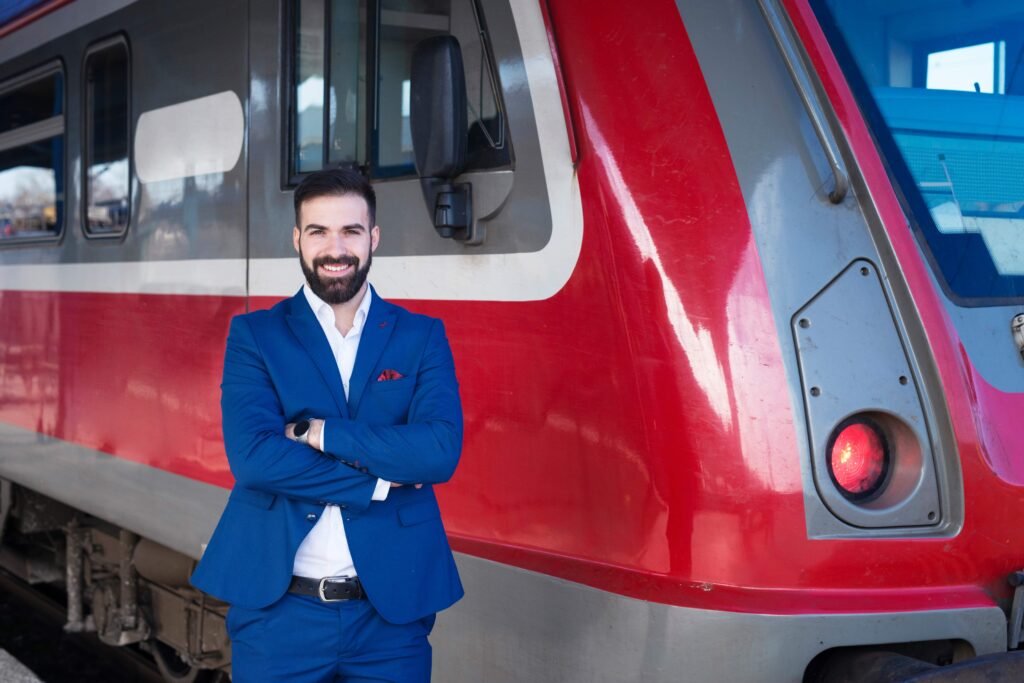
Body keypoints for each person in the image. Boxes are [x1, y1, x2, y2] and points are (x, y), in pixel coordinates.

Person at [191, 167, 464, 682]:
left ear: (373, 237)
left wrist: (323, 434)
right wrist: (378, 483)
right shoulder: (255, 335)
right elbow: (255, 459)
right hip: (278, 615)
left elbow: (439, 451)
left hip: (390, 619)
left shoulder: (421, 336)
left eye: (350, 231)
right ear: (297, 239)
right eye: (318, 231)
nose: (335, 249)